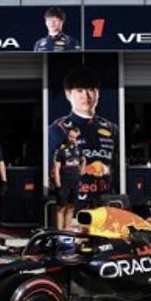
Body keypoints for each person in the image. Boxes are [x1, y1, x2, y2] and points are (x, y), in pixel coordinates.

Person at [48, 66, 118, 208]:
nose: (86, 96)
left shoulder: (112, 129)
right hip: (73, 200)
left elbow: (119, 167)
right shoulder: (57, 129)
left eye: (91, 89)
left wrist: (106, 170)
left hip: (104, 202)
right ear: (68, 94)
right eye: (80, 90)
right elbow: (52, 168)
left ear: (98, 93)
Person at [51, 125, 86, 230]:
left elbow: (83, 160)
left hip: (75, 182)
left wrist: (82, 170)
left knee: (71, 207)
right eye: (70, 136)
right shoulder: (61, 150)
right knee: (61, 208)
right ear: (67, 136)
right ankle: (59, 232)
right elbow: (56, 168)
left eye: (74, 137)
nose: (72, 139)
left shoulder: (78, 149)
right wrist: (58, 184)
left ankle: (67, 229)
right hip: (64, 182)